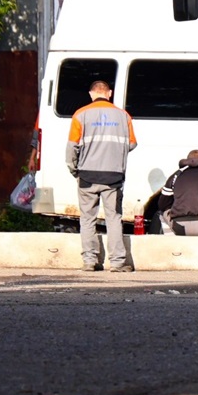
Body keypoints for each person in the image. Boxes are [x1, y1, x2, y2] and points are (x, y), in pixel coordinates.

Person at [66, 80, 136, 272]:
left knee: (87, 219)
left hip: (87, 175)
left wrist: (74, 169)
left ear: (91, 94)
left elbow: (72, 146)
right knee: (114, 218)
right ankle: (117, 262)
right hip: (113, 176)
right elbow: (131, 144)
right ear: (109, 93)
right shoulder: (124, 116)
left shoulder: (80, 115)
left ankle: (89, 260)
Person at [157, 150, 198, 236]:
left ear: (187, 160)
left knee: (162, 213)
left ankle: (172, 243)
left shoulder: (176, 176)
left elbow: (162, 204)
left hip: (180, 227)